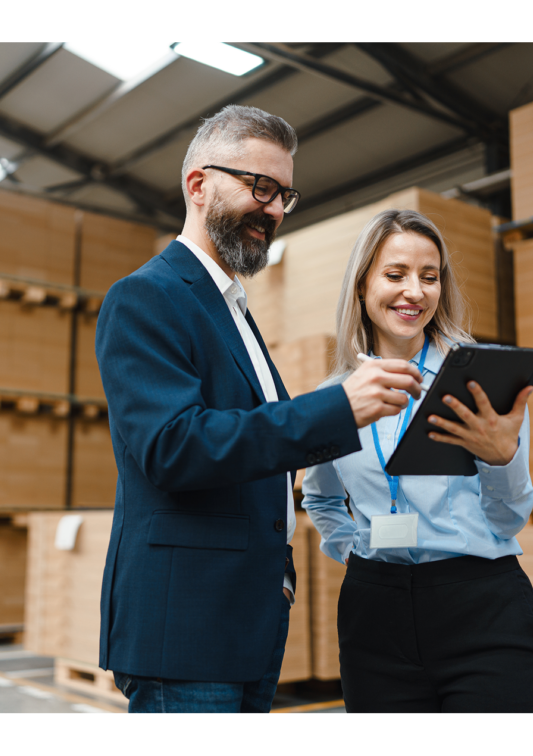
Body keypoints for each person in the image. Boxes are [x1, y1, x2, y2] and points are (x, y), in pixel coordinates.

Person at [94, 106, 425, 714]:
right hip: (185, 628)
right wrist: (333, 410)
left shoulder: (234, 310)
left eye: (284, 195)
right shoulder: (147, 297)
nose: (273, 209)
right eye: (259, 187)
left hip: (246, 618)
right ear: (198, 184)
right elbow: (173, 447)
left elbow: (259, 448)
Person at [303, 208, 533, 714]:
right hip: (376, 615)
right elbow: (320, 496)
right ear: (362, 285)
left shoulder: (480, 378)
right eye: (395, 275)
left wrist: (501, 459)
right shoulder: (334, 396)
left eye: (430, 277)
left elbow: (509, 520)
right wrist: (353, 549)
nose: (414, 292)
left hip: (482, 604)